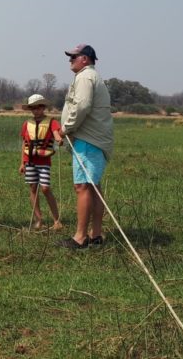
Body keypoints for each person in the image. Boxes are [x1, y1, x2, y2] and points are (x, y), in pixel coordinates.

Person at [59, 44, 114, 249]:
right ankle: (96, 235)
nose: (70, 60)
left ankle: (80, 238)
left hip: (88, 141)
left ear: (85, 59)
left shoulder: (84, 77)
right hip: (94, 140)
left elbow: (81, 106)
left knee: (82, 187)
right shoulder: (91, 77)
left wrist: (65, 129)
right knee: (93, 187)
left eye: (73, 56)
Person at [19, 94, 64, 230]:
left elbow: (56, 133)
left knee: (45, 188)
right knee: (33, 188)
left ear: (43, 107)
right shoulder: (27, 124)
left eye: (38, 107)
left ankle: (57, 220)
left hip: (44, 161)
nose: (36, 110)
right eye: (33, 108)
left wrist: (58, 139)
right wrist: (22, 163)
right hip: (30, 160)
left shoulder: (52, 122)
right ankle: (39, 220)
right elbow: (24, 143)